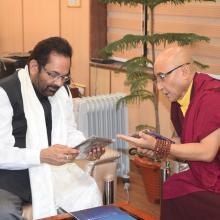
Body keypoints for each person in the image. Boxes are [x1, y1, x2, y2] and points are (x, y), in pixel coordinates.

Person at [0, 37, 104, 219]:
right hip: (10, 177)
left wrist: (84, 148)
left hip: (52, 168)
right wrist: (41, 155)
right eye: (53, 74)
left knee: (87, 191)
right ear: (34, 67)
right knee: (4, 211)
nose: (58, 83)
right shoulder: (5, 93)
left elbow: (69, 131)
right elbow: (2, 153)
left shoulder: (61, 92)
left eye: (64, 77)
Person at [118, 47, 220, 220]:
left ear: (185, 71)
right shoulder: (180, 101)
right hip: (206, 173)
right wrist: (155, 144)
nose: (158, 86)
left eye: (162, 77)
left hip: (214, 174)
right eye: (156, 79)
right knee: (172, 188)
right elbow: (187, 140)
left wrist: (159, 145)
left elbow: (207, 152)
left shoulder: (211, 97)